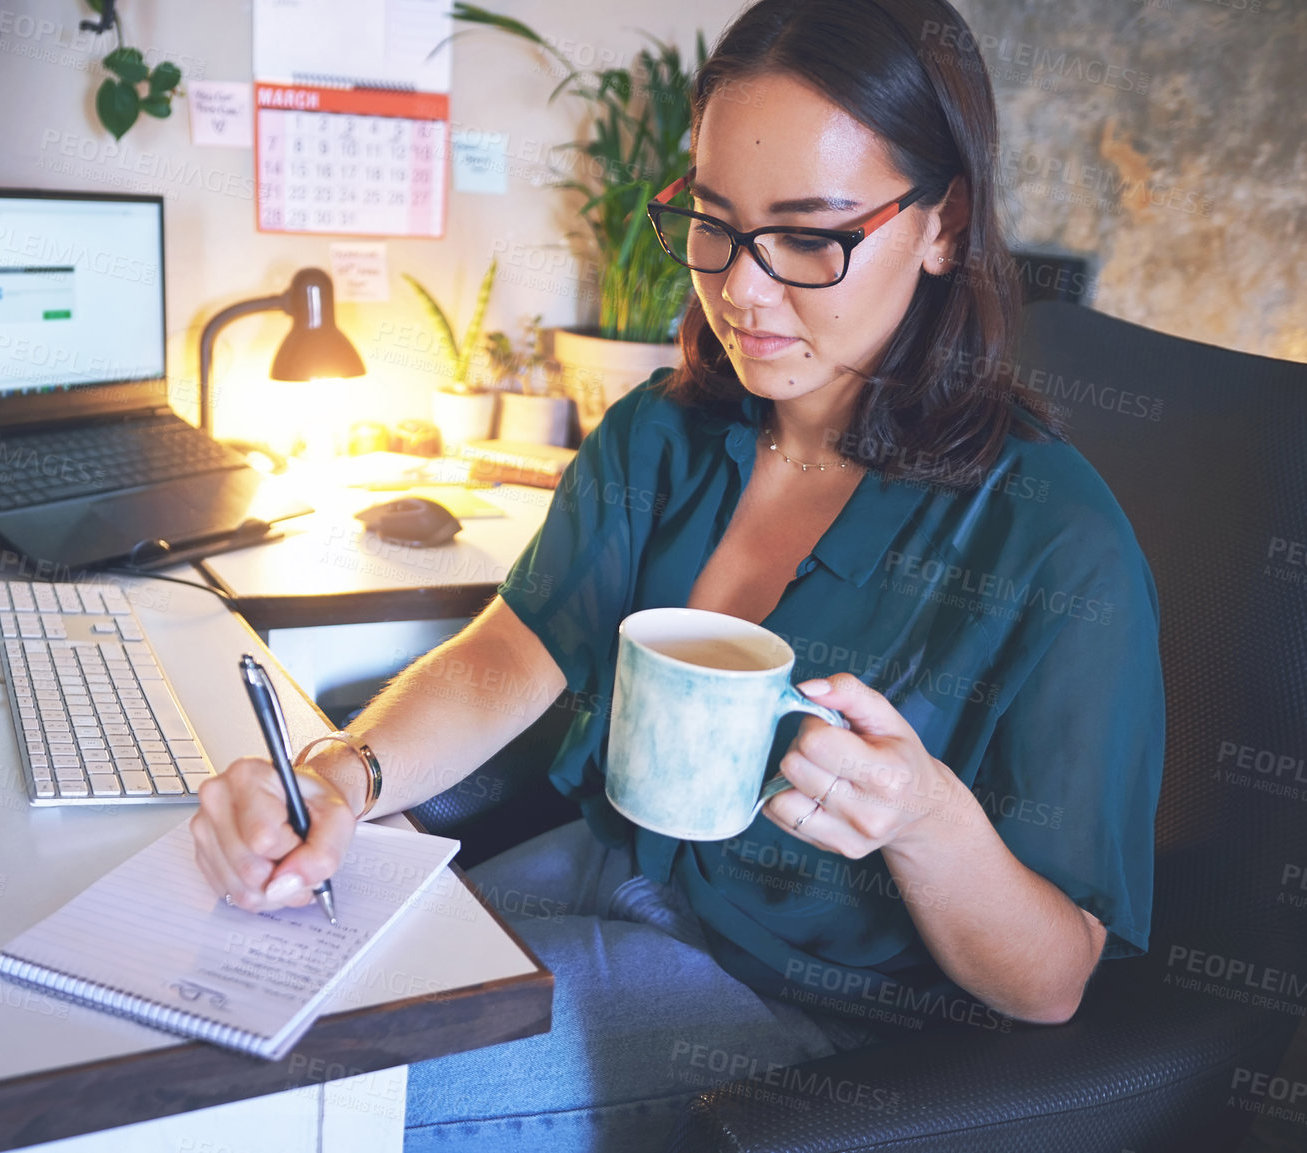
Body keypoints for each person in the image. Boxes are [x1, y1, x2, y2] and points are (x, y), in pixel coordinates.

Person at [190, 0, 1165, 1147]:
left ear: (942, 223)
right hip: (607, 861)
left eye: (808, 236)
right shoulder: (667, 434)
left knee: (298, 1101)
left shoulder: (1052, 542)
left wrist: (925, 822)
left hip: (789, 997)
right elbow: (520, 645)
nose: (742, 292)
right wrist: (343, 777)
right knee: (232, 998)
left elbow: (1050, 981)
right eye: (715, 223)